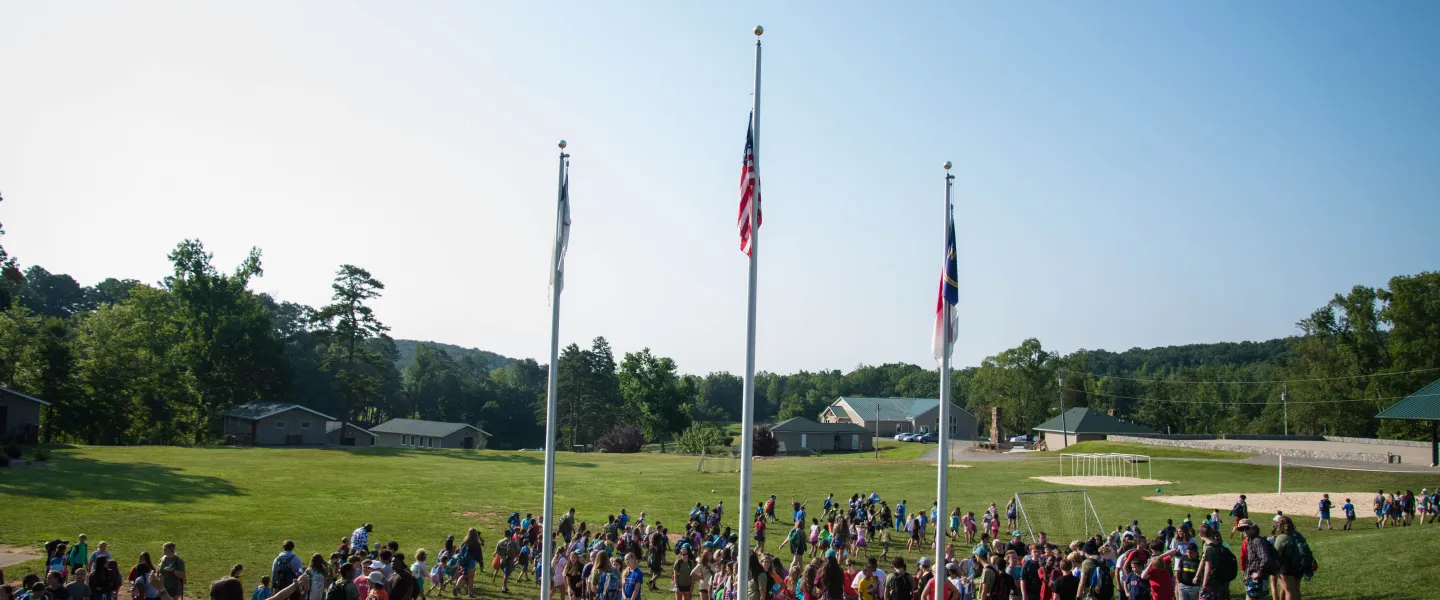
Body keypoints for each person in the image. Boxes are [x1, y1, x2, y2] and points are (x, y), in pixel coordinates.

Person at [1271, 517, 1306, 600]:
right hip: (1299, 565)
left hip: (1286, 567)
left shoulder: (1282, 537)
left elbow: (1276, 554)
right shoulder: (1297, 534)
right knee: (1296, 590)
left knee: (1290, 591)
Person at [1196, 527, 1234, 600]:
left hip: (1212, 582)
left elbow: (1208, 568)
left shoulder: (1209, 548)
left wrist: (1204, 585)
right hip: (1222, 580)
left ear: (1201, 534)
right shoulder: (1219, 545)